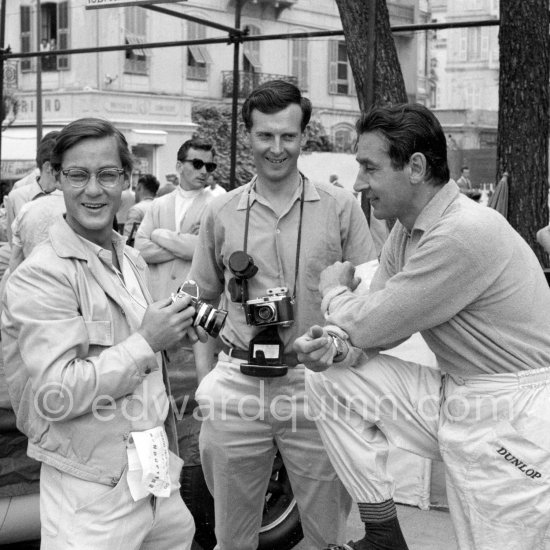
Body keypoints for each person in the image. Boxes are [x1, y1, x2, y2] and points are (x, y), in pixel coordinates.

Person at [293, 103, 550, 550]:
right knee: (329, 377)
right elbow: (375, 329)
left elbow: (371, 320)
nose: (358, 183)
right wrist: (333, 345)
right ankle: (383, 534)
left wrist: (333, 292)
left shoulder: (464, 231)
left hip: (517, 412)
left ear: (414, 167)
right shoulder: (408, 230)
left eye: (369, 168)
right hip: (463, 392)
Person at [189, 80, 376, 550]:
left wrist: (342, 348)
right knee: (232, 537)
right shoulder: (221, 211)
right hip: (237, 382)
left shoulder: (340, 209)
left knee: (327, 535)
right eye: (265, 136)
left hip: (317, 383)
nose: (277, 149)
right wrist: (205, 379)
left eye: (288, 136)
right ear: (247, 136)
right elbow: (200, 300)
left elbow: (370, 298)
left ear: (304, 136)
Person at [1, 117, 203, 550]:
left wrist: (171, 337)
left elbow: (132, 351)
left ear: (125, 180)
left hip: (154, 475)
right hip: (91, 487)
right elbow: (56, 392)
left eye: (107, 174)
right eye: (78, 174)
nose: (93, 189)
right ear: (57, 179)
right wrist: (147, 341)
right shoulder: (41, 276)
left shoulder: (129, 258)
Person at [134, 139, 215, 301]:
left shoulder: (215, 205)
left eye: (210, 166)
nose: (204, 171)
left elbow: (202, 251)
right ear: (179, 166)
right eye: (197, 164)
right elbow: (140, 249)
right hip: (157, 298)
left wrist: (158, 235)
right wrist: (184, 246)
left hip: (195, 302)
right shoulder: (159, 204)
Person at [4, 131, 60, 245]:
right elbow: (13, 241)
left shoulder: (68, 194)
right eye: (61, 164)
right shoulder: (17, 195)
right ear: (48, 167)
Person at [123, 173, 160, 242]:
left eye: (136, 189)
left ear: (139, 187)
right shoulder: (162, 208)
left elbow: (128, 239)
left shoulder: (136, 210)